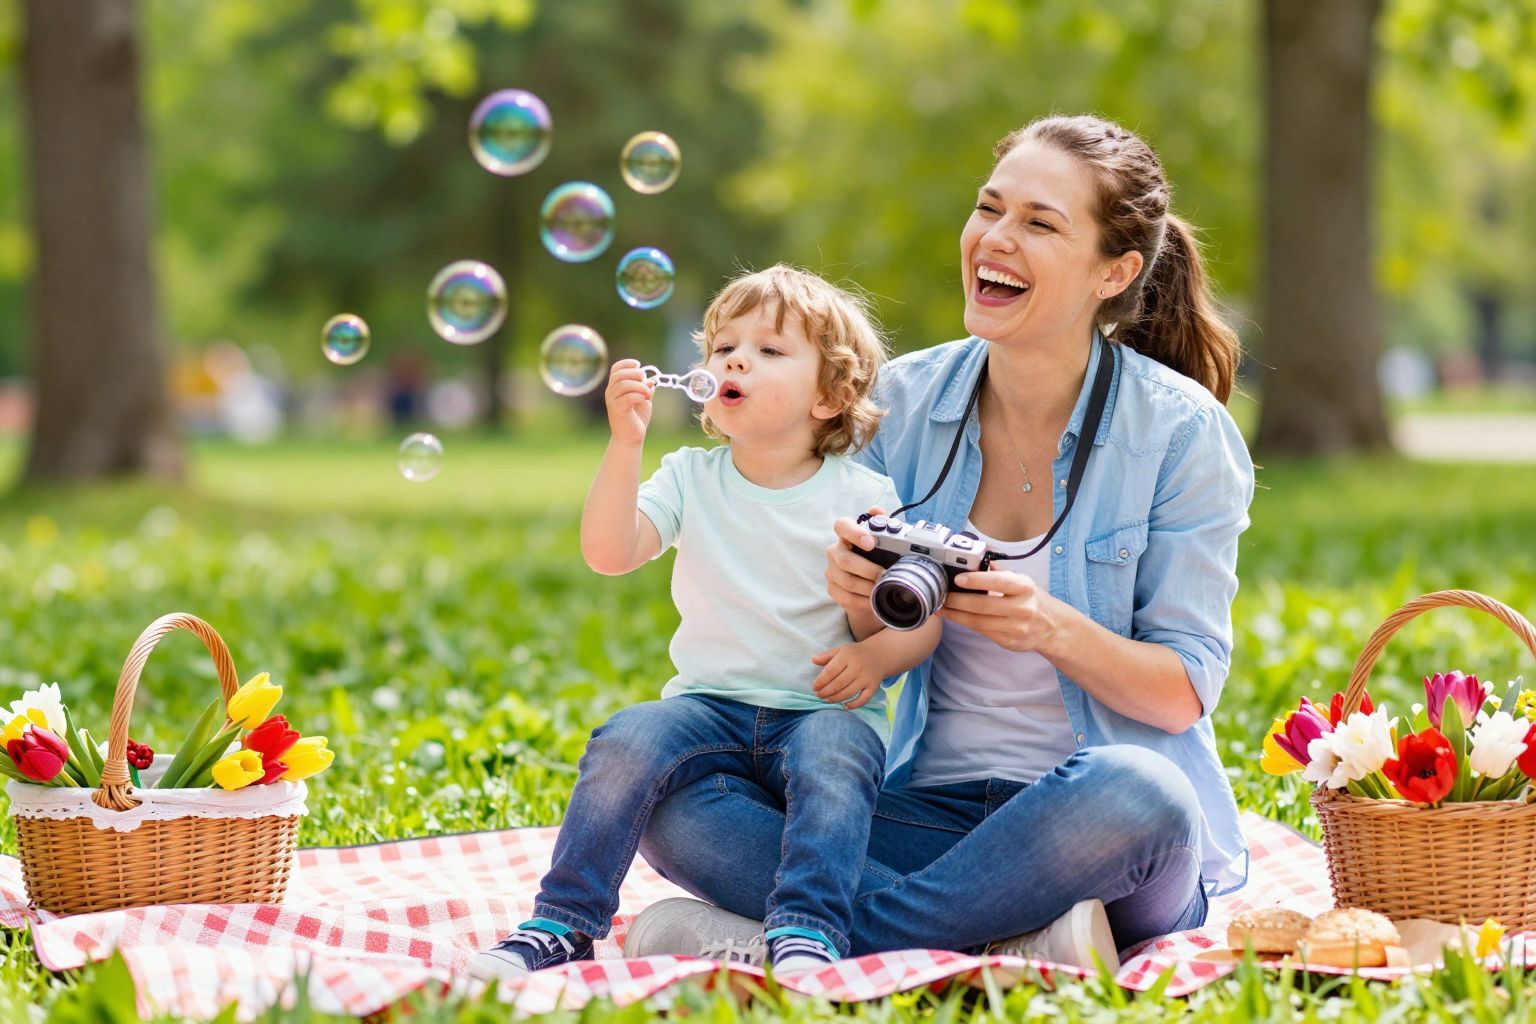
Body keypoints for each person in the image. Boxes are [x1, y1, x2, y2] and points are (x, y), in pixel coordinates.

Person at [624, 114, 1256, 972]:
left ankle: (807, 936)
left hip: (1098, 828)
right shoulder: (900, 404)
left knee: (1143, 792)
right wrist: (850, 603)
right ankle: (1015, 940)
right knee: (672, 793)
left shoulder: (1182, 434)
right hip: (926, 808)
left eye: (1039, 222)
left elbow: (1182, 692)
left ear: (1116, 270)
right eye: (989, 208)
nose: (995, 238)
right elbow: (836, 653)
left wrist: (1048, 628)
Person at [468, 266, 941, 980]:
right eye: (723, 348)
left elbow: (921, 625)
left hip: (820, 709)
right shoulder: (690, 475)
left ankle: (807, 933)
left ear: (832, 395)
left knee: (835, 759)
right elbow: (609, 551)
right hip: (709, 706)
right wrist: (625, 445)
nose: (735, 360)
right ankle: (562, 921)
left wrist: (875, 663)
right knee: (627, 738)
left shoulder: (866, 495)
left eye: (769, 350)